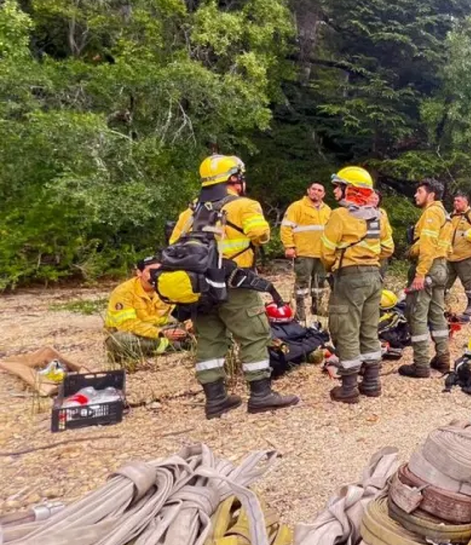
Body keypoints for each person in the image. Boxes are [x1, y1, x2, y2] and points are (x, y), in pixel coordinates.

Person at [170, 155, 298, 418]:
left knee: (210, 340)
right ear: (234, 178)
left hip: (200, 288)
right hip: (235, 285)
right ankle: (261, 394)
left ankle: (215, 399)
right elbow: (260, 234)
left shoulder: (190, 212)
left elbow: (173, 245)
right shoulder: (245, 205)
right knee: (254, 336)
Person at [321, 166, 394, 403]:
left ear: (350, 189)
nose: (334, 191)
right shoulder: (379, 215)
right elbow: (388, 248)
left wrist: (335, 266)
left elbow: (326, 252)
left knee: (347, 329)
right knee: (369, 329)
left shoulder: (339, 215)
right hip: (374, 276)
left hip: (349, 278)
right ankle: (371, 382)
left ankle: (349, 388)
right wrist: (368, 257)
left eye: (338, 187)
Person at [398, 178, 454, 379]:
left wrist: (420, 274)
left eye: (419, 191)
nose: (416, 195)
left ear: (431, 195)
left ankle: (420, 365)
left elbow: (427, 245)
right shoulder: (445, 214)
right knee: (437, 314)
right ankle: (443, 359)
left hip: (429, 268)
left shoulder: (431, 213)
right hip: (441, 267)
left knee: (417, 315)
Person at [104, 257, 192, 366]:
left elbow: (182, 311)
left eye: (160, 271)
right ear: (139, 273)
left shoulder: (167, 286)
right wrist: (160, 333)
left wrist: (189, 322)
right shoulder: (123, 291)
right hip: (136, 333)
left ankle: (170, 344)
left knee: (200, 325)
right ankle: (177, 345)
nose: (156, 275)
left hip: (163, 329)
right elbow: (128, 324)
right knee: (117, 341)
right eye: (151, 271)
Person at [281, 182, 332, 323]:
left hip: (322, 253)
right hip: (303, 252)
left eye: (319, 190)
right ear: (308, 191)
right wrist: (289, 246)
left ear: (323, 194)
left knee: (320, 282)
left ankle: (317, 307)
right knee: (302, 282)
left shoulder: (327, 210)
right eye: (314, 189)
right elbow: (286, 228)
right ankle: (300, 310)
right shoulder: (297, 207)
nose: (316, 192)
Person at [446, 192, 471, 321]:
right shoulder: (451, 216)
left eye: (458, 201)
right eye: (454, 200)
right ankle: (440, 305)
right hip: (449, 256)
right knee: (443, 283)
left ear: (466, 202)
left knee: (470, 285)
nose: (455, 203)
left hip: (466, 257)